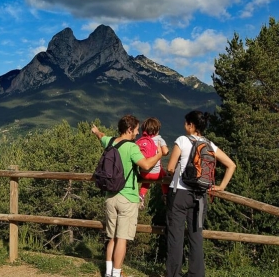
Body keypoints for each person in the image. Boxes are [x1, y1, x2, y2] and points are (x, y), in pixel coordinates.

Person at [165, 111, 236, 277]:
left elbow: (170, 167)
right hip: (200, 196)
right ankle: (196, 274)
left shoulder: (182, 140)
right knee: (196, 236)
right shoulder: (210, 145)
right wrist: (221, 186)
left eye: (185, 123)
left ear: (191, 125)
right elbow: (231, 165)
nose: (184, 126)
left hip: (179, 194)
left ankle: (174, 274)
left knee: (175, 235)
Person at [91, 115, 163, 277]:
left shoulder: (110, 142)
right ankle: (116, 274)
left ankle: (109, 272)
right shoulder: (131, 148)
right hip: (128, 197)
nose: (137, 133)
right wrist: (159, 155)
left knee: (112, 237)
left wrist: (96, 131)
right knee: (122, 238)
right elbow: (145, 164)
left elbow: (102, 137)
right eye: (136, 130)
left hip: (110, 196)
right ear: (129, 129)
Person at [136, 117, 170, 209]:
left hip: (143, 173)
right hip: (156, 174)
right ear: (157, 130)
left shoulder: (141, 141)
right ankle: (166, 195)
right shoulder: (159, 139)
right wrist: (160, 153)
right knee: (165, 177)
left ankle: (141, 195)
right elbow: (166, 152)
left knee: (146, 183)